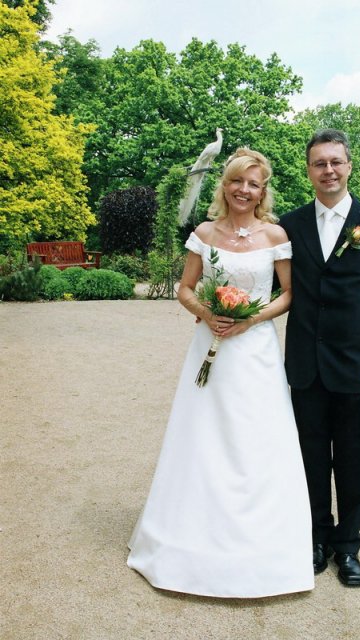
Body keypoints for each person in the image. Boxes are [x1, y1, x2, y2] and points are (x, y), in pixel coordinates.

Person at [127, 148, 314, 598]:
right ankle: (187, 535)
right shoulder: (205, 233)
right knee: (203, 434)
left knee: (256, 436)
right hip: (210, 346)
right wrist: (209, 313)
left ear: (262, 191)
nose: (243, 190)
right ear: (225, 185)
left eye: (253, 184)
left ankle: (265, 544)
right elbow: (185, 289)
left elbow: (289, 294)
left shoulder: (276, 235)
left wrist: (250, 319)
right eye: (236, 181)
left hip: (255, 351)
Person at [279, 129, 360, 587]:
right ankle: (315, 537)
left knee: (354, 457)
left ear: (349, 165)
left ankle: (348, 546)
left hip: (356, 364)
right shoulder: (289, 226)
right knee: (309, 457)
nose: (328, 170)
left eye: (335, 162)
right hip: (305, 363)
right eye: (319, 163)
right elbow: (268, 282)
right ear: (308, 170)